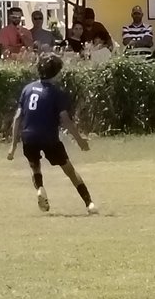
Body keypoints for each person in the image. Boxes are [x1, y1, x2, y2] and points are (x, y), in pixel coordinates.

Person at [7, 53, 97, 215]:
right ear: (57, 72)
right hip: (49, 138)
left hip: (28, 136)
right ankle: (89, 203)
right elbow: (65, 120)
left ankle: (40, 188)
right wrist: (80, 140)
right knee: (69, 171)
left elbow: (18, 117)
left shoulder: (27, 89)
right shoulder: (56, 93)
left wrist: (13, 146)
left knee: (35, 167)